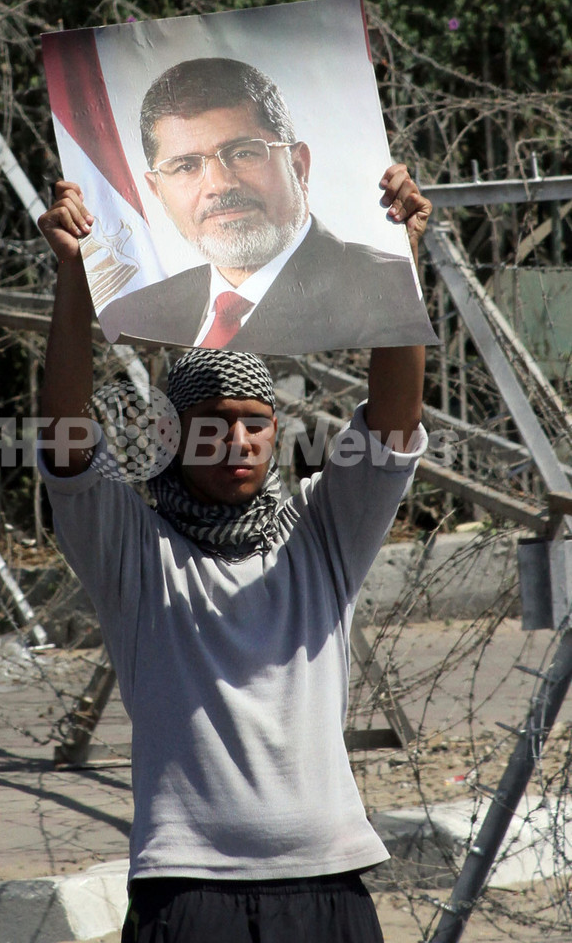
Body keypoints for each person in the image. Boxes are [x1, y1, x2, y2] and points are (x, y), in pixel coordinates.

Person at [37, 162, 431, 942]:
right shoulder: (136, 556)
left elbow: (391, 423)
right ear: (171, 436)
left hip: (331, 884)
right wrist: (75, 281)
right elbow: (67, 435)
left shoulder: (321, 535)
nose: (239, 439)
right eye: (215, 420)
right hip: (188, 890)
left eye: (256, 420)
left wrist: (397, 261)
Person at [98, 58, 436, 354]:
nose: (218, 185)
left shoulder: (383, 288)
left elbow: (396, 423)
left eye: (243, 152)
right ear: (157, 191)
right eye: (186, 165)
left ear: (299, 166)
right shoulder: (133, 318)